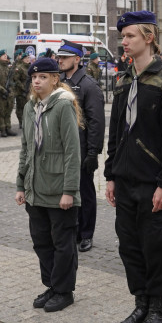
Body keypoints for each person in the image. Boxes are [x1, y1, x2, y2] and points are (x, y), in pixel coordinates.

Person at [104, 10, 162, 323]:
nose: (123, 42)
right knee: (130, 247)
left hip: (153, 184)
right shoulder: (123, 82)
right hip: (124, 181)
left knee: (154, 246)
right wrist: (110, 174)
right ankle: (140, 303)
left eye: (130, 36)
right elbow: (115, 133)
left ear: (148, 38)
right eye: (122, 37)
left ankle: (157, 310)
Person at [15, 56, 83, 313]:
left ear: (55, 79)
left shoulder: (63, 105)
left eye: (42, 77)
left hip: (58, 189)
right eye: (33, 77)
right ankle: (52, 285)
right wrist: (21, 185)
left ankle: (64, 290)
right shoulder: (30, 107)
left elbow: (72, 152)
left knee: (63, 242)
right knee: (41, 240)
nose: (37, 81)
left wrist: (70, 191)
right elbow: (25, 148)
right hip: (35, 188)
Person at [57, 40, 104, 253]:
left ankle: (86, 234)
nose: (60, 60)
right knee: (66, 190)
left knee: (85, 192)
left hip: (82, 148)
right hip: (61, 149)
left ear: (77, 59)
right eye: (59, 57)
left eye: (65, 57)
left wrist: (93, 152)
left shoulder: (88, 85)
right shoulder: (57, 82)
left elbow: (96, 122)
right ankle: (73, 230)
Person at [0, 49, 16, 137]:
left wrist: (11, 89)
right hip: (0, 94)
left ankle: (8, 128)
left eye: (6, 54)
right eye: (3, 55)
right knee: (1, 112)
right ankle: (3, 129)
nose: (5, 56)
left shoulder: (8, 67)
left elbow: (12, 80)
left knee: (8, 112)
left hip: (9, 93)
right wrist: (2, 89)